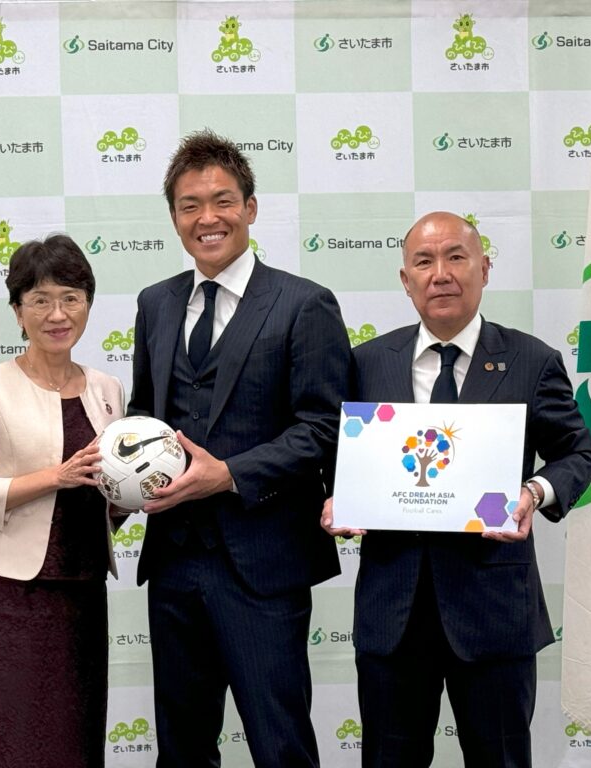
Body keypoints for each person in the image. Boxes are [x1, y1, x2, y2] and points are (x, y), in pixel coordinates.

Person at [321, 211, 591, 767]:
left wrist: (534, 492)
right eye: (424, 262)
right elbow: (333, 455)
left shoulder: (531, 360)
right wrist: (334, 496)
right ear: (406, 280)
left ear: (484, 269)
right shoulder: (366, 363)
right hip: (393, 613)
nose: (440, 274)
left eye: (456, 257)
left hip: (494, 611)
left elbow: (579, 452)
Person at [128, 130, 351, 768]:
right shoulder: (155, 304)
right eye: (190, 205)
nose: (208, 218)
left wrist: (228, 474)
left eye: (222, 201)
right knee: (181, 748)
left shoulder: (304, 304)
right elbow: (146, 413)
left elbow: (323, 427)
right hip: (174, 561)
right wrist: (122, 474)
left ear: (250, 208)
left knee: (280, 746)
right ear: (174, 217)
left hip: (264, 563)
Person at [0, 234, 124, 768]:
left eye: (71, 298)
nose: (57, 314)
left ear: (88, 304)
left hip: (83, 593)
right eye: (40, 300)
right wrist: (55, 476)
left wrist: (132, 496)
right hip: (8, 597)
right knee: (6, 744)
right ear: (17, 311)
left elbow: (106, 492)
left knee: (73, 744)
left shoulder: (108, 389)